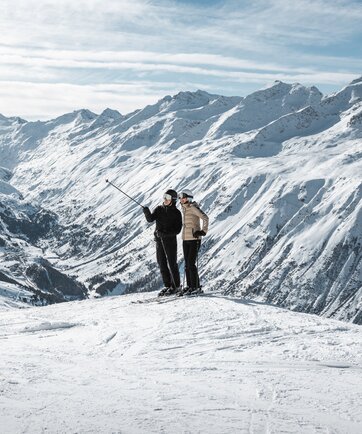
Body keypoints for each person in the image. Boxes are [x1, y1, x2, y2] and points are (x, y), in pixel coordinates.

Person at [143, 189, 182, 296]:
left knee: (172, 263)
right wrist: (147, 212)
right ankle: (167, 285)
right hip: (159, 241)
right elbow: (151, 219)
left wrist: (164, 234)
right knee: (162, 263)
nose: (165, 199)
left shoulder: (176, 213)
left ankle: (176, 286)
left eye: (168, 197)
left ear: (173, 200)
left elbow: (177, 230)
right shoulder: (159, 209)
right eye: (164, 196)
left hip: (170, 242)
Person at [178, 189, 209, 296]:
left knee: (191, 263)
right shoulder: (184, 208)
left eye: (184, 197)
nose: (182, 199)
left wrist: (202, 231)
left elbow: (205, 218)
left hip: (194, 239)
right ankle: (190, 286)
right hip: (185, 239)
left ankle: (196, 287)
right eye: (180, 197)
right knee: (187, 264)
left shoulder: (193, 208)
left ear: (189, 198)